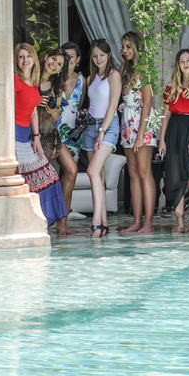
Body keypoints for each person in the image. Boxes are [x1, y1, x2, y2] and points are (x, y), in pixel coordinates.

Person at [13, 43, 70, 235]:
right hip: (16, 135)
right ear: (45, 58)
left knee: (47, 177)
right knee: (28, 180)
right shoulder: (17, 80)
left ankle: (42, 223)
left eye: (28, 56)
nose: (25, 60)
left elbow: (35, 114)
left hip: (34, 135)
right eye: (21, 57)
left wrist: (36, 137)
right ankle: (26, 224)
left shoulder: (36, 82)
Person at [157, 48, 189, 233]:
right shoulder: (172, 86)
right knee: (175, 178)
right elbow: (166, 115)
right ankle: (179, 222)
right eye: (182, 61)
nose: (185, 64)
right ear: (178, 65)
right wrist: (162, 140)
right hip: (174, 132)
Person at [118, 32, 160, 236]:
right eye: (123, 47)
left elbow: (148, 102)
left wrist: (141, 132)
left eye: (128, 46)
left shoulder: (145, 69)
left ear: (136, 47)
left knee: (144, 172)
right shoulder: (125, 71)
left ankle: (149, 223)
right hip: (127, 125)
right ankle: (136, 221)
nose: (124, 50)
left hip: (141, 125)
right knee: (133, 173)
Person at [81, 38, 123, 238]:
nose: (98, 59)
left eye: (102, 55)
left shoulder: (114, 75)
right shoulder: (91, 78)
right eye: (95, 55)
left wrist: (102, 131)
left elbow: (113, 105)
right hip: (90, 127)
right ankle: (104, 223)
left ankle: (96, 222)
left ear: (109, 55)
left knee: (92, 170)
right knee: (97, 176)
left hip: (107, 127)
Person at [38, 48, 79, 234]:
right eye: (53, 59)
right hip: (34, 134)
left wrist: (53, 111)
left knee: (71, 169)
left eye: (59, 64)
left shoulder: (57, 86)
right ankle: (40, 221)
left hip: (51, 133)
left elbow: (55, 117)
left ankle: (62, 222)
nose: (54, 64)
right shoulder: (32, 78)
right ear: (47, 56)